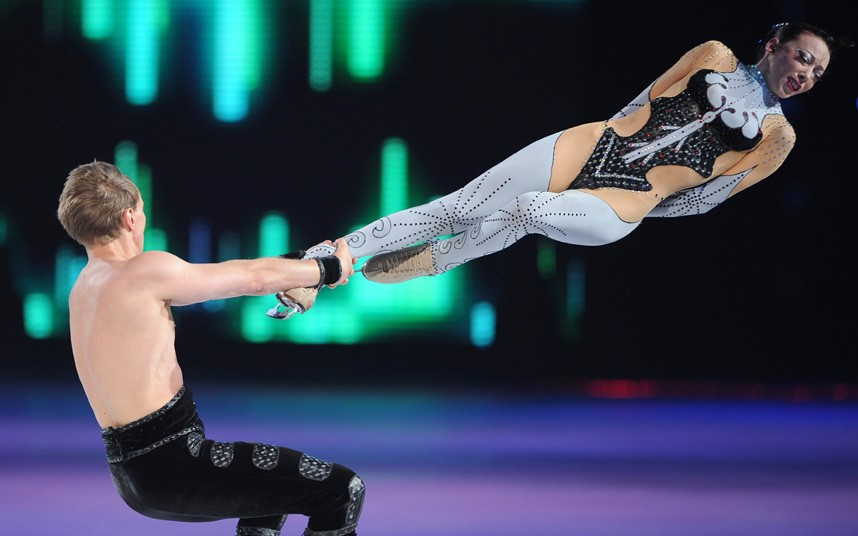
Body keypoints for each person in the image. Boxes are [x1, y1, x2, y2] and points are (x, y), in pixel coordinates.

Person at [327, 22, 850, 285]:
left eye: (817, 73)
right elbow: (647, 96)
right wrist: (608, 139)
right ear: (776, 44)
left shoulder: (779, 138)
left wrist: (643, 201)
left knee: (530, 210)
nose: (806, 74)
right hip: (594, 144)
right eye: (803, 58)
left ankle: (440, 257)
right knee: (460, 205)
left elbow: (704, 200)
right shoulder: (713, 55)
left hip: (625, 204)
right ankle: (329, 259)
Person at [56, 161, 363, 536]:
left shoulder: (83, 290)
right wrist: (329, 268)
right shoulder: (143, 271)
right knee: (341, 491)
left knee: (270, 499)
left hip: (135, 477)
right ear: (129, 218)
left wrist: (298, 265)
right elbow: (250, 279)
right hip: (178, 464)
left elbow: (233, 274)